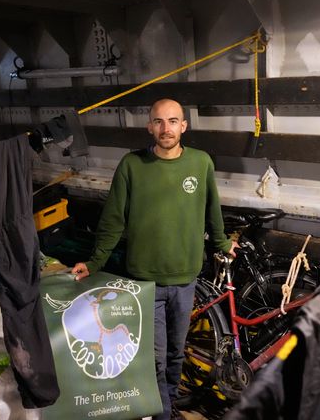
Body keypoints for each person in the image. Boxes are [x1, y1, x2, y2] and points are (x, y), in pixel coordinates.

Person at [72, 98, 238, 420]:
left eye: (173, 121)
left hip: (185, 279)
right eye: (159, 122)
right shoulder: (132, 165)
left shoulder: (201, 163)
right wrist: (94, 262)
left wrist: (222, 242)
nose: (166, 128)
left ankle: (169, 403)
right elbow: (113, 220)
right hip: (145, 282)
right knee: (156, 357)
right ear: (149, 126)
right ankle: (162, 414)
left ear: (183, 126)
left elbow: (212, 212)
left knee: (177, 353)